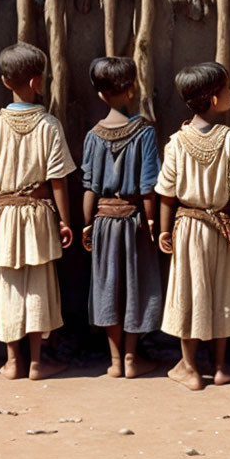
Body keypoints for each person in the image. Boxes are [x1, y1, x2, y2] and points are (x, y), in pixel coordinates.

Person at [0, 42, 76, 380]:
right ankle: (36, 362)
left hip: (3, 217)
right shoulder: (49, 125)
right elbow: (58, 180)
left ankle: (11, 361)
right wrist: (65, 221)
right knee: (39, 287)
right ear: (38, 81)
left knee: (9, 287)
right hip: (38, 216)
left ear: (6, 82)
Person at [155, 62, 230, 391]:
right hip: (221, 229)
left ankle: (190, 367)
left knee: (188, 294)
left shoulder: (177, 142)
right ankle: (221, 366)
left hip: (187, 230)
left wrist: (164, 231)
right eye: (227, 89)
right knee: (221, 291)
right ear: (213, 99)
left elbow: (166, 193)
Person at [81, 56, 162, 378]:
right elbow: (148, 188)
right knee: (134, 287)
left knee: (108, 287)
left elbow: (89, 187)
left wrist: (87, 225)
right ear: (132, 89)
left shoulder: (92, 136)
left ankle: (115, 361)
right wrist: (153, 223)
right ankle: (131, 358)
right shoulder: (144, 133)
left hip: (102, 223)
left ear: (101, 95)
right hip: (134, 221)